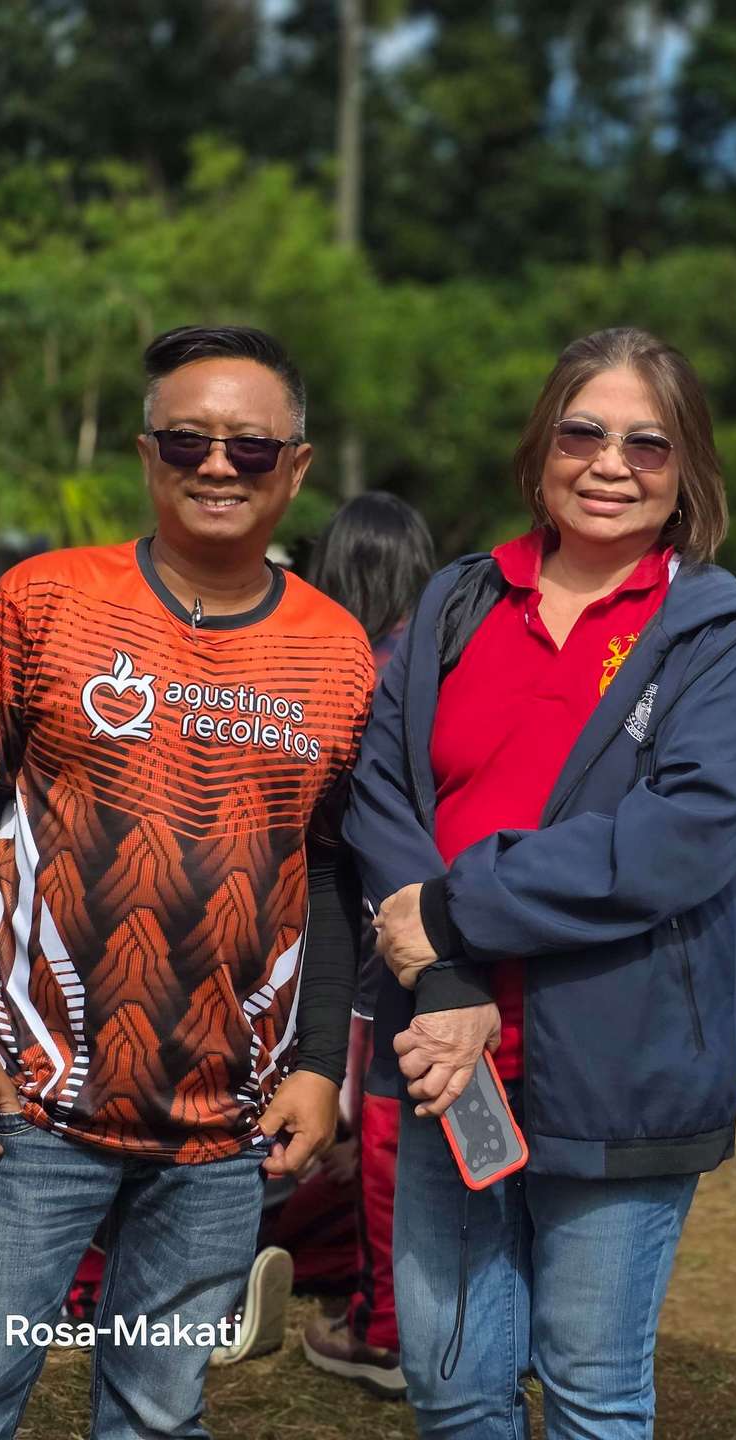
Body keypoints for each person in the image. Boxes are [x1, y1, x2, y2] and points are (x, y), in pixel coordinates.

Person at [0, 325, 374, 1440]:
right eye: (188, 441)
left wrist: (316, 1067)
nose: (218, 466)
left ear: (296, 468)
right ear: (149, 454)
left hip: (229, 1128)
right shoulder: (42, 602)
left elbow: (329, 869)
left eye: (251, 448)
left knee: (158, 1414)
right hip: (31, 1107)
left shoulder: (339, 652)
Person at [343, 327, 736, 1437]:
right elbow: (382, 792)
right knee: (452, 1384)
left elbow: (685, 835)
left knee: (591, 1388)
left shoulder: (722, 633)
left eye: (648, 443)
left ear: (688, 470)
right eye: (583, 432)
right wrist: (445, 978)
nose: (609, 464)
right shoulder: (457, 601)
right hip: (446, 1053)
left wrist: (457, 910)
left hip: (618, 1067)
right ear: (542, 446)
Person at [299, 492, 436, 1400]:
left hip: (367, 954)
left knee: (380, 1141)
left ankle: (383, 1330)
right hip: (458, 931)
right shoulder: (445, 665)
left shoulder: (343, 677)